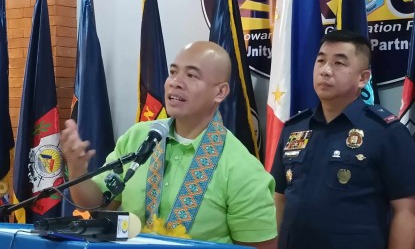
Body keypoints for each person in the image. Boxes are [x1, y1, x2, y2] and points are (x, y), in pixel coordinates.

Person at [61, 41, 277, 248]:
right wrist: (77, 169)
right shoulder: (138, 137)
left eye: (191, 75)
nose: (175, 81)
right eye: (173, 72)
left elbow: (258, 247)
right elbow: (97, 202)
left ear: (220, 92)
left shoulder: (242, 168)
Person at [271, 30, 415, 249]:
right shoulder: (295, 128)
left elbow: (406, 210)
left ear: (363, 78)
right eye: (321, 61)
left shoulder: (386, 133)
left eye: (339, 63)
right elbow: (279, 199)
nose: (325, 71)